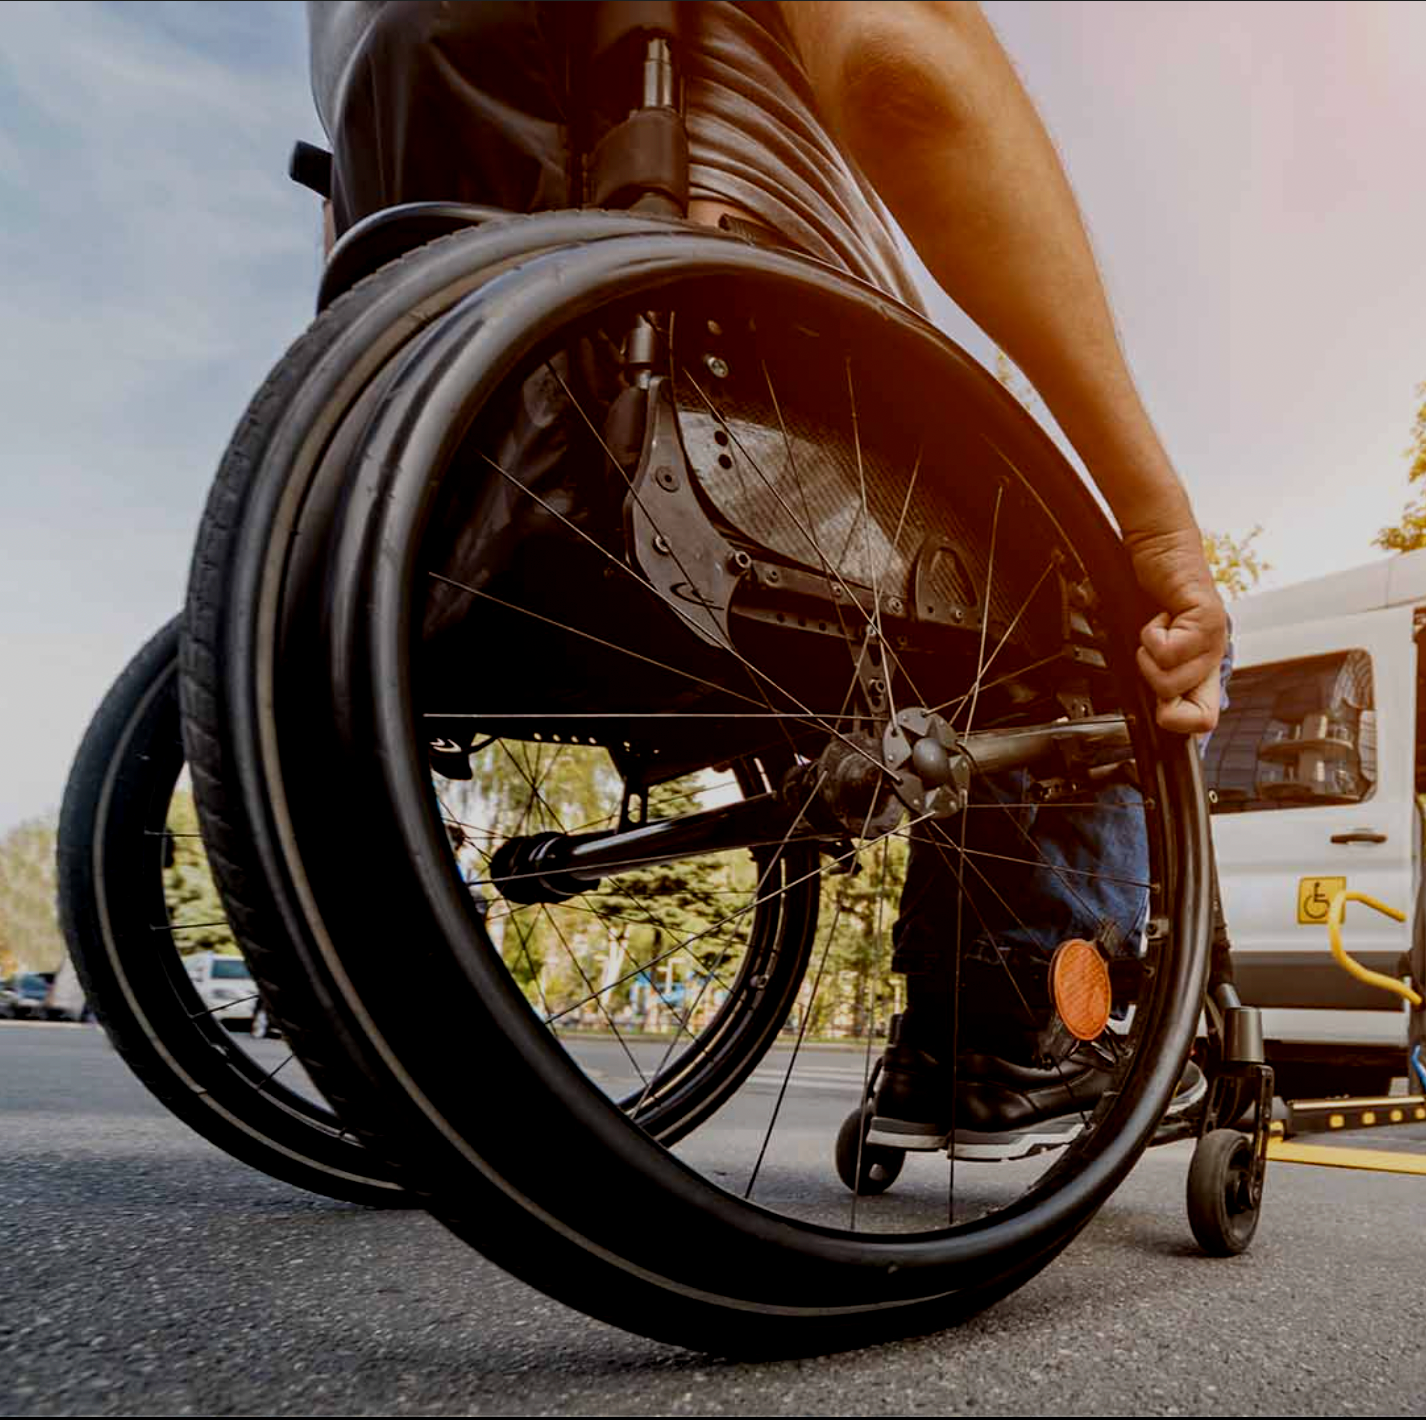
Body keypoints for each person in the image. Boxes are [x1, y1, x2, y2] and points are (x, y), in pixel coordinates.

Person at [306, 2, 1228, 1157]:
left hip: (467, 441)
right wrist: (1154, 520)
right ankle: (1006, 1044)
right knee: (1102, 619)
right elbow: (903, 72)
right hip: (717, 383)